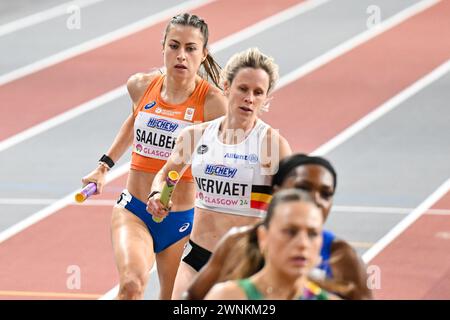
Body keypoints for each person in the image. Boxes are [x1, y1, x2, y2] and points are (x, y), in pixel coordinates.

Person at [80, 13, 227, 300]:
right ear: (162, 47)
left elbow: (221, 161)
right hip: (134, 210)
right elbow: (134, 120)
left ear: (203, 53)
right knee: (132, 286)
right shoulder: (140, 85)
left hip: (182, 220)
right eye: (173, 46)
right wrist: (103, 166)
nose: (181, 55)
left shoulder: (213, 103)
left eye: (190, 48)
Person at [147, 47, 292, 299]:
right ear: (227, 87)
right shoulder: (195, 135)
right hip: (197, 257)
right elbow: (164, 175)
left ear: (266, 99)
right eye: (243, 89)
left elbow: (293, 204)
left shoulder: (271, 143)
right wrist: (158, 193)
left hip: (246, 264)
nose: (249, 98)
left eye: (258, 93)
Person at [183, 154, 372, 300]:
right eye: (303, 188)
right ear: (277, 191)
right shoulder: (237, 243)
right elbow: (192, 298)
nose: (315, 200)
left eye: (325, 194)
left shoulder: (341, 255)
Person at [204, 189, 336, 300]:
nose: (303, 243)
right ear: (263, 237)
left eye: (312, 234)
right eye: (290, 232)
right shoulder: (227, 297)